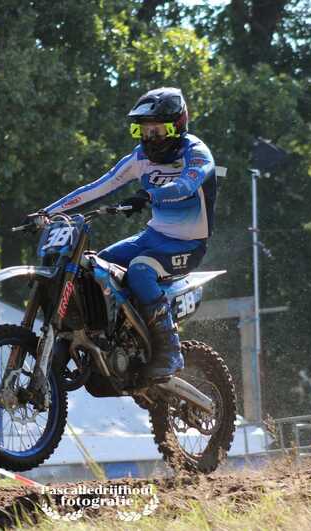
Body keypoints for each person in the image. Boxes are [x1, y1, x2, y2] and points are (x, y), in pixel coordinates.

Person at [37, 87, 217, 381]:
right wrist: (46, 212)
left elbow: (186, 185)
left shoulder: (196, 154)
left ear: (178, 125)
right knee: (95, 266)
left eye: (157, 130)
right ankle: (114, 338)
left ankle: (170, 351)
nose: (149, 138)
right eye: (143, 130)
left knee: (140, 271)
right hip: (153, 236)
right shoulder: (139, 157)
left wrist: (149, 195)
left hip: (188, 244)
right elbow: (97, 187)